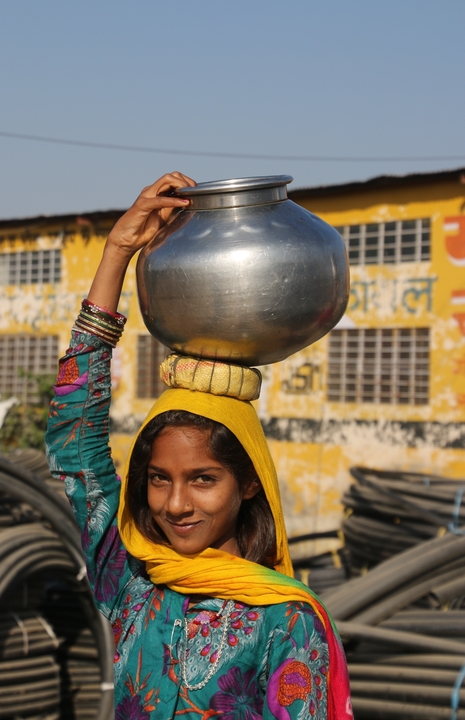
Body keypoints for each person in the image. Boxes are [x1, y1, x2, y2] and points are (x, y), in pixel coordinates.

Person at [45, 173, 353, 720]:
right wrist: (118, 250)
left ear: (249, 480)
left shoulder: (285, 619)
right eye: (159, 478)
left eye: (203, 479)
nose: (176, 504)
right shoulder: (132, 579)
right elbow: (75, 443)